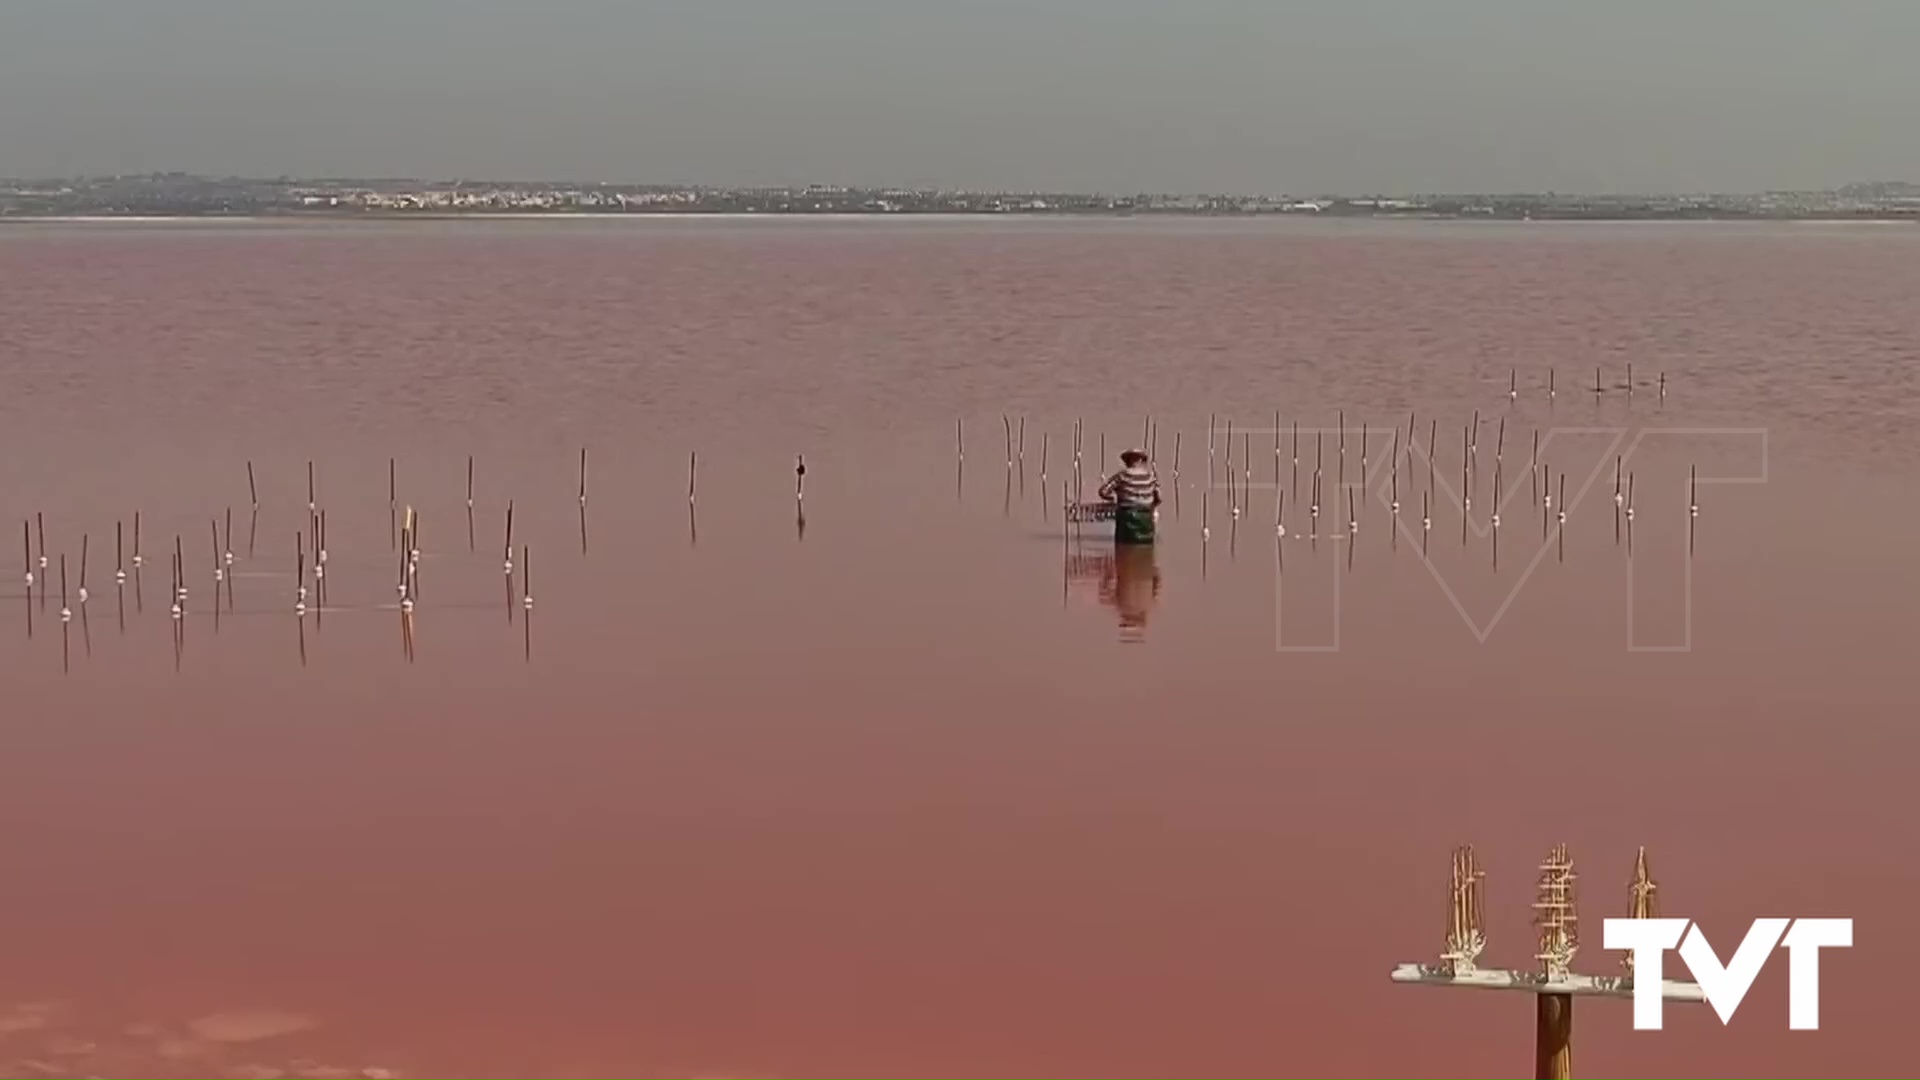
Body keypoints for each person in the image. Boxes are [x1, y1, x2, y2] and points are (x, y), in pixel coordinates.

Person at [1097, 449, 1161, 544]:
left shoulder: (1122, 475)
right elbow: (1158, 497)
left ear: (1127, 461)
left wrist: (1112, 499)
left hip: (1127, 516)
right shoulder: (1150, 477)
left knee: (1124, 548)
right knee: (1145, 549)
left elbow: (1103, 491)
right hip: (1145, 517)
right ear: (1141, 461)